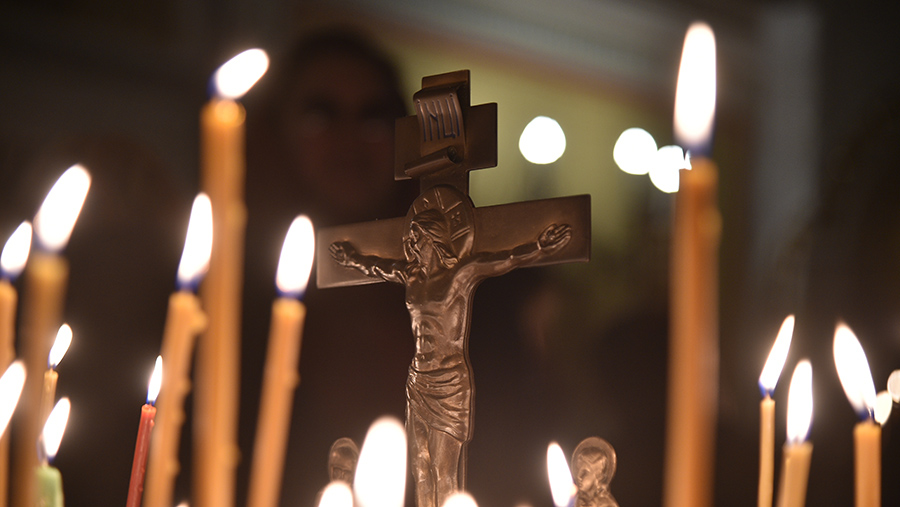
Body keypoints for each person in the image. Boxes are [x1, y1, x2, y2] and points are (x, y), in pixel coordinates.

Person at [328, 184, 572, 507]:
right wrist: (352, 258)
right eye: (411, 239)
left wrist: (539, 246)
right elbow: (378, 266)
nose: (411, 245)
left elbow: (506, 258)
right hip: (418, 378)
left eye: (417, 238)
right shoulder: (412, 276)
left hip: (449, 381)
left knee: (443, 469)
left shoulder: (460, 274)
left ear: (434, 238)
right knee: (419, 466)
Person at [572, 437, 619, 507]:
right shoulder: (577, 500)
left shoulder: (607, 505)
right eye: (578, 470)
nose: (579, 476)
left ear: (599, 476)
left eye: (585, 473)